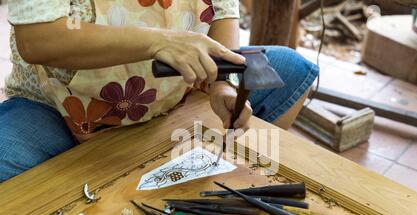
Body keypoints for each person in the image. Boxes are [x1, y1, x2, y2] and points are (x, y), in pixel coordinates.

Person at [0, 0, 319, 183]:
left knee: (289, 69)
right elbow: (39, 39)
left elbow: (223, 12)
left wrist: (223, 82)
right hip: (57, 108)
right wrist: (158, 41)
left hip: (175, 91)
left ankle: (193, 180)